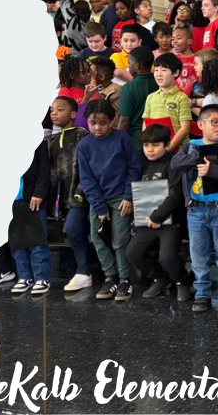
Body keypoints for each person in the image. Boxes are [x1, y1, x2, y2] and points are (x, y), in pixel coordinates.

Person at [172, 104, 218, 313]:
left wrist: (213, 170)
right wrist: (194, 158)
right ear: (201, 125)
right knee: (199, 256)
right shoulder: (190, 146)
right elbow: (175, 165)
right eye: (214, 122)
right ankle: (202, 293)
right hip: (196, 209)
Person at [76, 100, 141, 300]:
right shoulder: (84, 144)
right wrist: (99, 207)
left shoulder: (123, 139)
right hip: (98, 200)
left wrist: (129, 197)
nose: (97, 128)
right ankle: (109, 277)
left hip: (121, 197)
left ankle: (124, 280)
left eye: (103, 123)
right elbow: (86, 178)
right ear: (86, 121)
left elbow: (134, 169)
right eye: (93, 122)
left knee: (120, 239)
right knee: (97, 238)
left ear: (112, 121)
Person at [124, 124, 189, 301]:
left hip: (170, 222)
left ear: (167, 144)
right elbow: (141, 192)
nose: (150, 150)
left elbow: (176, 195)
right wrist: (138, 215)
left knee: (167, 257)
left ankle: (182, 282)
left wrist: (157, 216)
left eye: (155, 145)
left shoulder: (173, 164)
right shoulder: (144, 165)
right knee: (132, 253)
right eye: (146, 145)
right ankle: (160, 279)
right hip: (149, 221)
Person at [44, 97, 93, 292]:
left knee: (73, 229)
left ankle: (84, 271)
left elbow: (88, 166)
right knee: (73, 230)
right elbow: (53, 174)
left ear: (73, 114)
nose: (54, 113)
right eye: (52, 110)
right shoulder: (54, 141)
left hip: (83, 195)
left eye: (60, 109)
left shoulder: (83, 136)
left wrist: (81, 192)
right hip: (64, 200)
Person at [10, 131, 52, 296]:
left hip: (32, 198)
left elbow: (43, 170)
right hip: (11, 200)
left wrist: (39, 193)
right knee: (16, 241)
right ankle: (24, 277)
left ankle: (42, 278)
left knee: (37, 240)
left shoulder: (36, 140)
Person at [143, 54, 194, 153]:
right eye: (156, 70)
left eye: (163, 70)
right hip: (156, 151)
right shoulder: (151, 97)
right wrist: (148, 146)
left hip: (177, 152)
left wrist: (168, 148)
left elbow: (185, 128)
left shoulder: (182, 98)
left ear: (175, 73)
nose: (158, 74)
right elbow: (145, 125)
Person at [116, 47, 160, 150]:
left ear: (136, 66)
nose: (128, 66)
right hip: (159, 138)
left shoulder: (129, 88)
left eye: (129, 63)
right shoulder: (160, 84)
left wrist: (116, 142)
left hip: (136, 141)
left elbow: (124, 121)